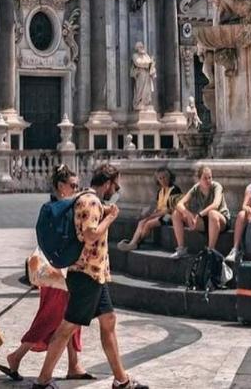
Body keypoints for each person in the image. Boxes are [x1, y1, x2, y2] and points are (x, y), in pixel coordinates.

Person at [32, 163, 148, 389]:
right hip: (86, 275)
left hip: (96, 275)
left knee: (109, 321)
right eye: (115, 185)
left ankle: (121, 380)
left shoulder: (88, 199)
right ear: (107, 184)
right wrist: (111, 217)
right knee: (67, 328)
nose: (116, 190)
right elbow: (90, 234)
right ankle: (43, 380)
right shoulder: (91, 202)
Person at [0, 165, 92, 382]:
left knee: (71, 316)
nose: (76, 189)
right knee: (52, 317)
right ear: (61, 186)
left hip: (59, 271)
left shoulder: (56, 208)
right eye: (73, 185)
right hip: (57, 272)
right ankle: (16, 356)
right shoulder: (58, 209)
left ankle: (74, 364)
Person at [169, 165, 230, 258]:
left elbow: (215, 204)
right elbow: (179, 204)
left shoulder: (217, 186)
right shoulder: (196, 188)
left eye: (210, 177)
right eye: (205, 178)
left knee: (212, 213)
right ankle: (181, 249)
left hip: (221, 219)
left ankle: (210, 251)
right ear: (199, 179)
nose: (208, 180)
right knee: (176, 214)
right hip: (204, 220)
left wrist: (199, 214)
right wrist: (188, 214)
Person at [118, 167, 181, 252]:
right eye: (160, 178)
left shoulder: (175, 189)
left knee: (148, 224)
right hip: (161, 214)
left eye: (165, 177)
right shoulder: (160, 191)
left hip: (171, 216)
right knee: (142, 222)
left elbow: (170, 209)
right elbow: (159, 207)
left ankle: (136, 243)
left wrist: (152, 216)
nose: (163, 180)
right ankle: (133, 243)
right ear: (157, 180)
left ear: (169, 177)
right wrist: (151, 213)